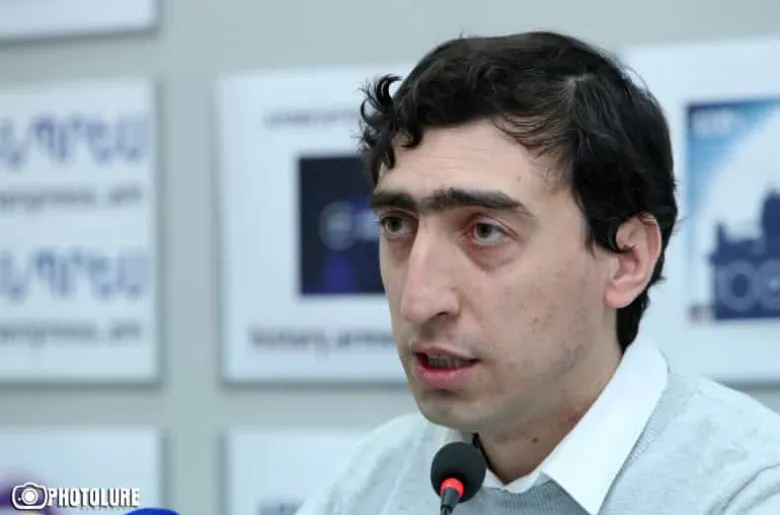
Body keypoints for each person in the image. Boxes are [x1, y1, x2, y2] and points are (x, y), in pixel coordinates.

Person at [295, 31, 780, 515]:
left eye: (485, 231)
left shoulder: (748, 492)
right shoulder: (370, 482)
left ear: (627, 259)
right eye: (397, 225)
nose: (417, 302)